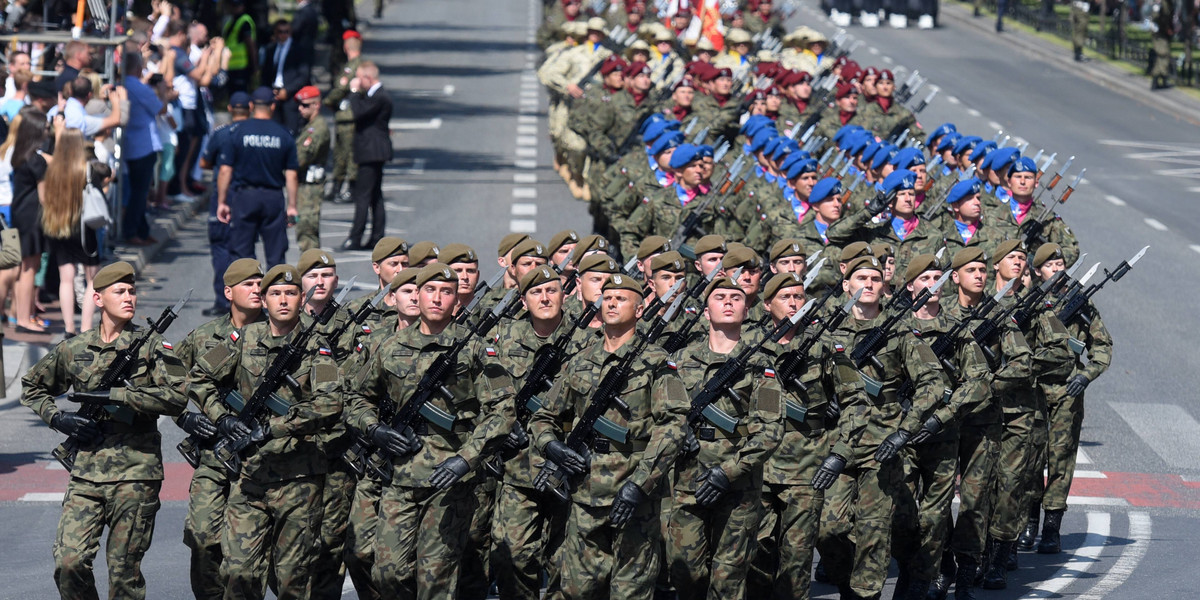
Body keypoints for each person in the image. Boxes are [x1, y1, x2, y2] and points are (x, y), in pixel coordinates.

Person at [346, 263, 516, 600]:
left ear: (456, 302)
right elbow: (355, 397)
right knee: (388, 572)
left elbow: (502, 410)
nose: (437, 298)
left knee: (436, 578)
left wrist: (466, 459)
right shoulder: (390, 346)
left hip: (449, 479)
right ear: (417, 296)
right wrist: (376, 430)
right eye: (430, 290)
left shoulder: (475, 350)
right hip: (399, 476)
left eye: (446, 292)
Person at [21, 261, 188, 599]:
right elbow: (32, 387)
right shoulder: (75, 348)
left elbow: (176, 397)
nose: (129, 297)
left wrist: (119, 395)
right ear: (98, 299)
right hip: (86, 474)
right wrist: (59, 419)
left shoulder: (152, 346)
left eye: (132, 291)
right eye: (120, 291)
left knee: (124, 575)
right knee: (69, 563)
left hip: (136, 474)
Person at [186, 264, 342, 600]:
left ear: (302, 300)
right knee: (237, 573)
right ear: (264, 300)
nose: (283, 300)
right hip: (250, 478)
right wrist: (222, 418)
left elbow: (330, 404)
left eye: (290, 293)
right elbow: (198, 378)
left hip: (299, 480)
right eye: (275, 294)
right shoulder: (241, 339)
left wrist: (273, 428)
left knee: (290, 581)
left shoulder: (319, 347)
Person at [529, 273, 689, 600]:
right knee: (574, 592)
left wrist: (639, 484)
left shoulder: (658, 363)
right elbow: (544, 416)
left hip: (633, 499)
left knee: (629, 594)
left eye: (622, 298)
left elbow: (672, 427)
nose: (612, 303)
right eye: (608, 297)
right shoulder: (581, 361)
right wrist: (552, 445)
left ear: (641, 309)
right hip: (584, 496)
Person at [667, 275, 783, 599]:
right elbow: (661, 415)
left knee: (728, 579)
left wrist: (727, 472)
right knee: (683, 570)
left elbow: (771, 430)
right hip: (687, 482)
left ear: (746, 310)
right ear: (706, 311)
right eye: (720, 297)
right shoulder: (681, 361)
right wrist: (677, 433)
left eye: (736, 297)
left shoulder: (761, 366)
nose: (729, 302)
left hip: (738, 487)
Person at [490, 266, 594, 600]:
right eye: (536, 292)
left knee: (564, 561)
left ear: (564, 294)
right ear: (523, 299)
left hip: (568, 464)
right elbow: (489, 394)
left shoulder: (587, 341)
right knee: (513, 556)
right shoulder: (505, 338)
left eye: (551, 290)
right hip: (517, 465)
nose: (545, 298)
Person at [174, 258, 265, 600]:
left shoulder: (280, 334)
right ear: (229, 292)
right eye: (248, 284)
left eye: (260, 284)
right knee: (201, 538)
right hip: (214, 456)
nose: (257, 290)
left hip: (259, 460)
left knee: (246, 560)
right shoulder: (204, 337)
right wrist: (184, 417)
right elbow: (165, 381)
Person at [215, 86, 300, 268]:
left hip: (245, 197)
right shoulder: (283, 134)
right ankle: (277, 293)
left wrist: (222, 201)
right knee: (276, 255)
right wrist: (292, 206)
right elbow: (291, 174)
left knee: (242, 255)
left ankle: (246, 293)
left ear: (252, 105)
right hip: (272, 197)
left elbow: (225, 170)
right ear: (273, 106)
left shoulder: (236, 132)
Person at [41, 127, 100, 336]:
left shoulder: (53, 169)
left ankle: (68, 328)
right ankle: (85, 327)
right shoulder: (86, 169)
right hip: (83, 229)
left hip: (60, 226)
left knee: (66, 278)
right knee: (92, 279)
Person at [199, 91, 251, 316]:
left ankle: (223, 300)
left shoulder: (221, 134)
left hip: (223, 195)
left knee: (220, 247)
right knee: (244, 249)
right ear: (249, 108)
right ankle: (248, 300)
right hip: (248, 195)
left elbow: (204, 162)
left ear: (230, 109)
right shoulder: (255, 133)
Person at [342, 61, 393, 250]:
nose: (358, 81)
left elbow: (358, 112)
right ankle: (376, 237)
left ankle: (355, 238)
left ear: (368, 78)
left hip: (372, 152)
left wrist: (354, 92)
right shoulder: (375, 96)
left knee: (363, 196)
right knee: (374, 196)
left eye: (360, 77)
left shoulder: (380, 97)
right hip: (372, 151)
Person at [9, 106, 48, 333]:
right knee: (29, 270)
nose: (47, 132)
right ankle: (24, 318)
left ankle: (24, 316)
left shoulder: (19, 155)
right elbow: (44, 197)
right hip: (33, 217)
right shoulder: (37, 161)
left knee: (25, 268)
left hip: (21, 213)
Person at [121, 47, 165, 247]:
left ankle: (141, 229)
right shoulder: (139, 88)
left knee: (138, 192)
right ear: (138, 68)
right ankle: (132, 231)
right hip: (143, 146)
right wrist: (162, 91)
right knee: (140, 193)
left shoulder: (124, 85)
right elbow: (160, 108)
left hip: (132, 144)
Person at [325, 30, 364, 204]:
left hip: (349, 116)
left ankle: (351, 189)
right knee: (341, 154)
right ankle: (337, 187)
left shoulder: (353, 66)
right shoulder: (355, 65)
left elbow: (341, 88)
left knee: (348, 154)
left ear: (346, 46)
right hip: (345, 115)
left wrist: (328, 100)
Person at [293, 85, 330, 252]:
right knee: (304, 230)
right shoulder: (308, 126)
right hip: (304, 185)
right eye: (300, 105)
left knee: (307, 231)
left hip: (311, 187)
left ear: (317, 105)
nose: (300, 109)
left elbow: (300, 158)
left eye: (305, 105)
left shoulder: (318, 128)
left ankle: (313, 271)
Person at [262, 19, 311, 134]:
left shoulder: (299, 50)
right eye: (280, 31)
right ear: (275, 32)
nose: (283, 35)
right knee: (273, 131)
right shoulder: (271, 49)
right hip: (273, 94)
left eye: (286, 32)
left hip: (290, 97)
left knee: (290, 132)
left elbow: (304, 76)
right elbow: (265, 73)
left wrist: (287, 90)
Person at [221, 0, 258, 93]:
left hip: (241, 67)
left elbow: (251, 44)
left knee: (240, 95)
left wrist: (254, 65)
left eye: (237, 5)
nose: (234, 8)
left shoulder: (244, 21)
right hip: (230, 65)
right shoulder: (231, 20)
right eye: (233, 5)